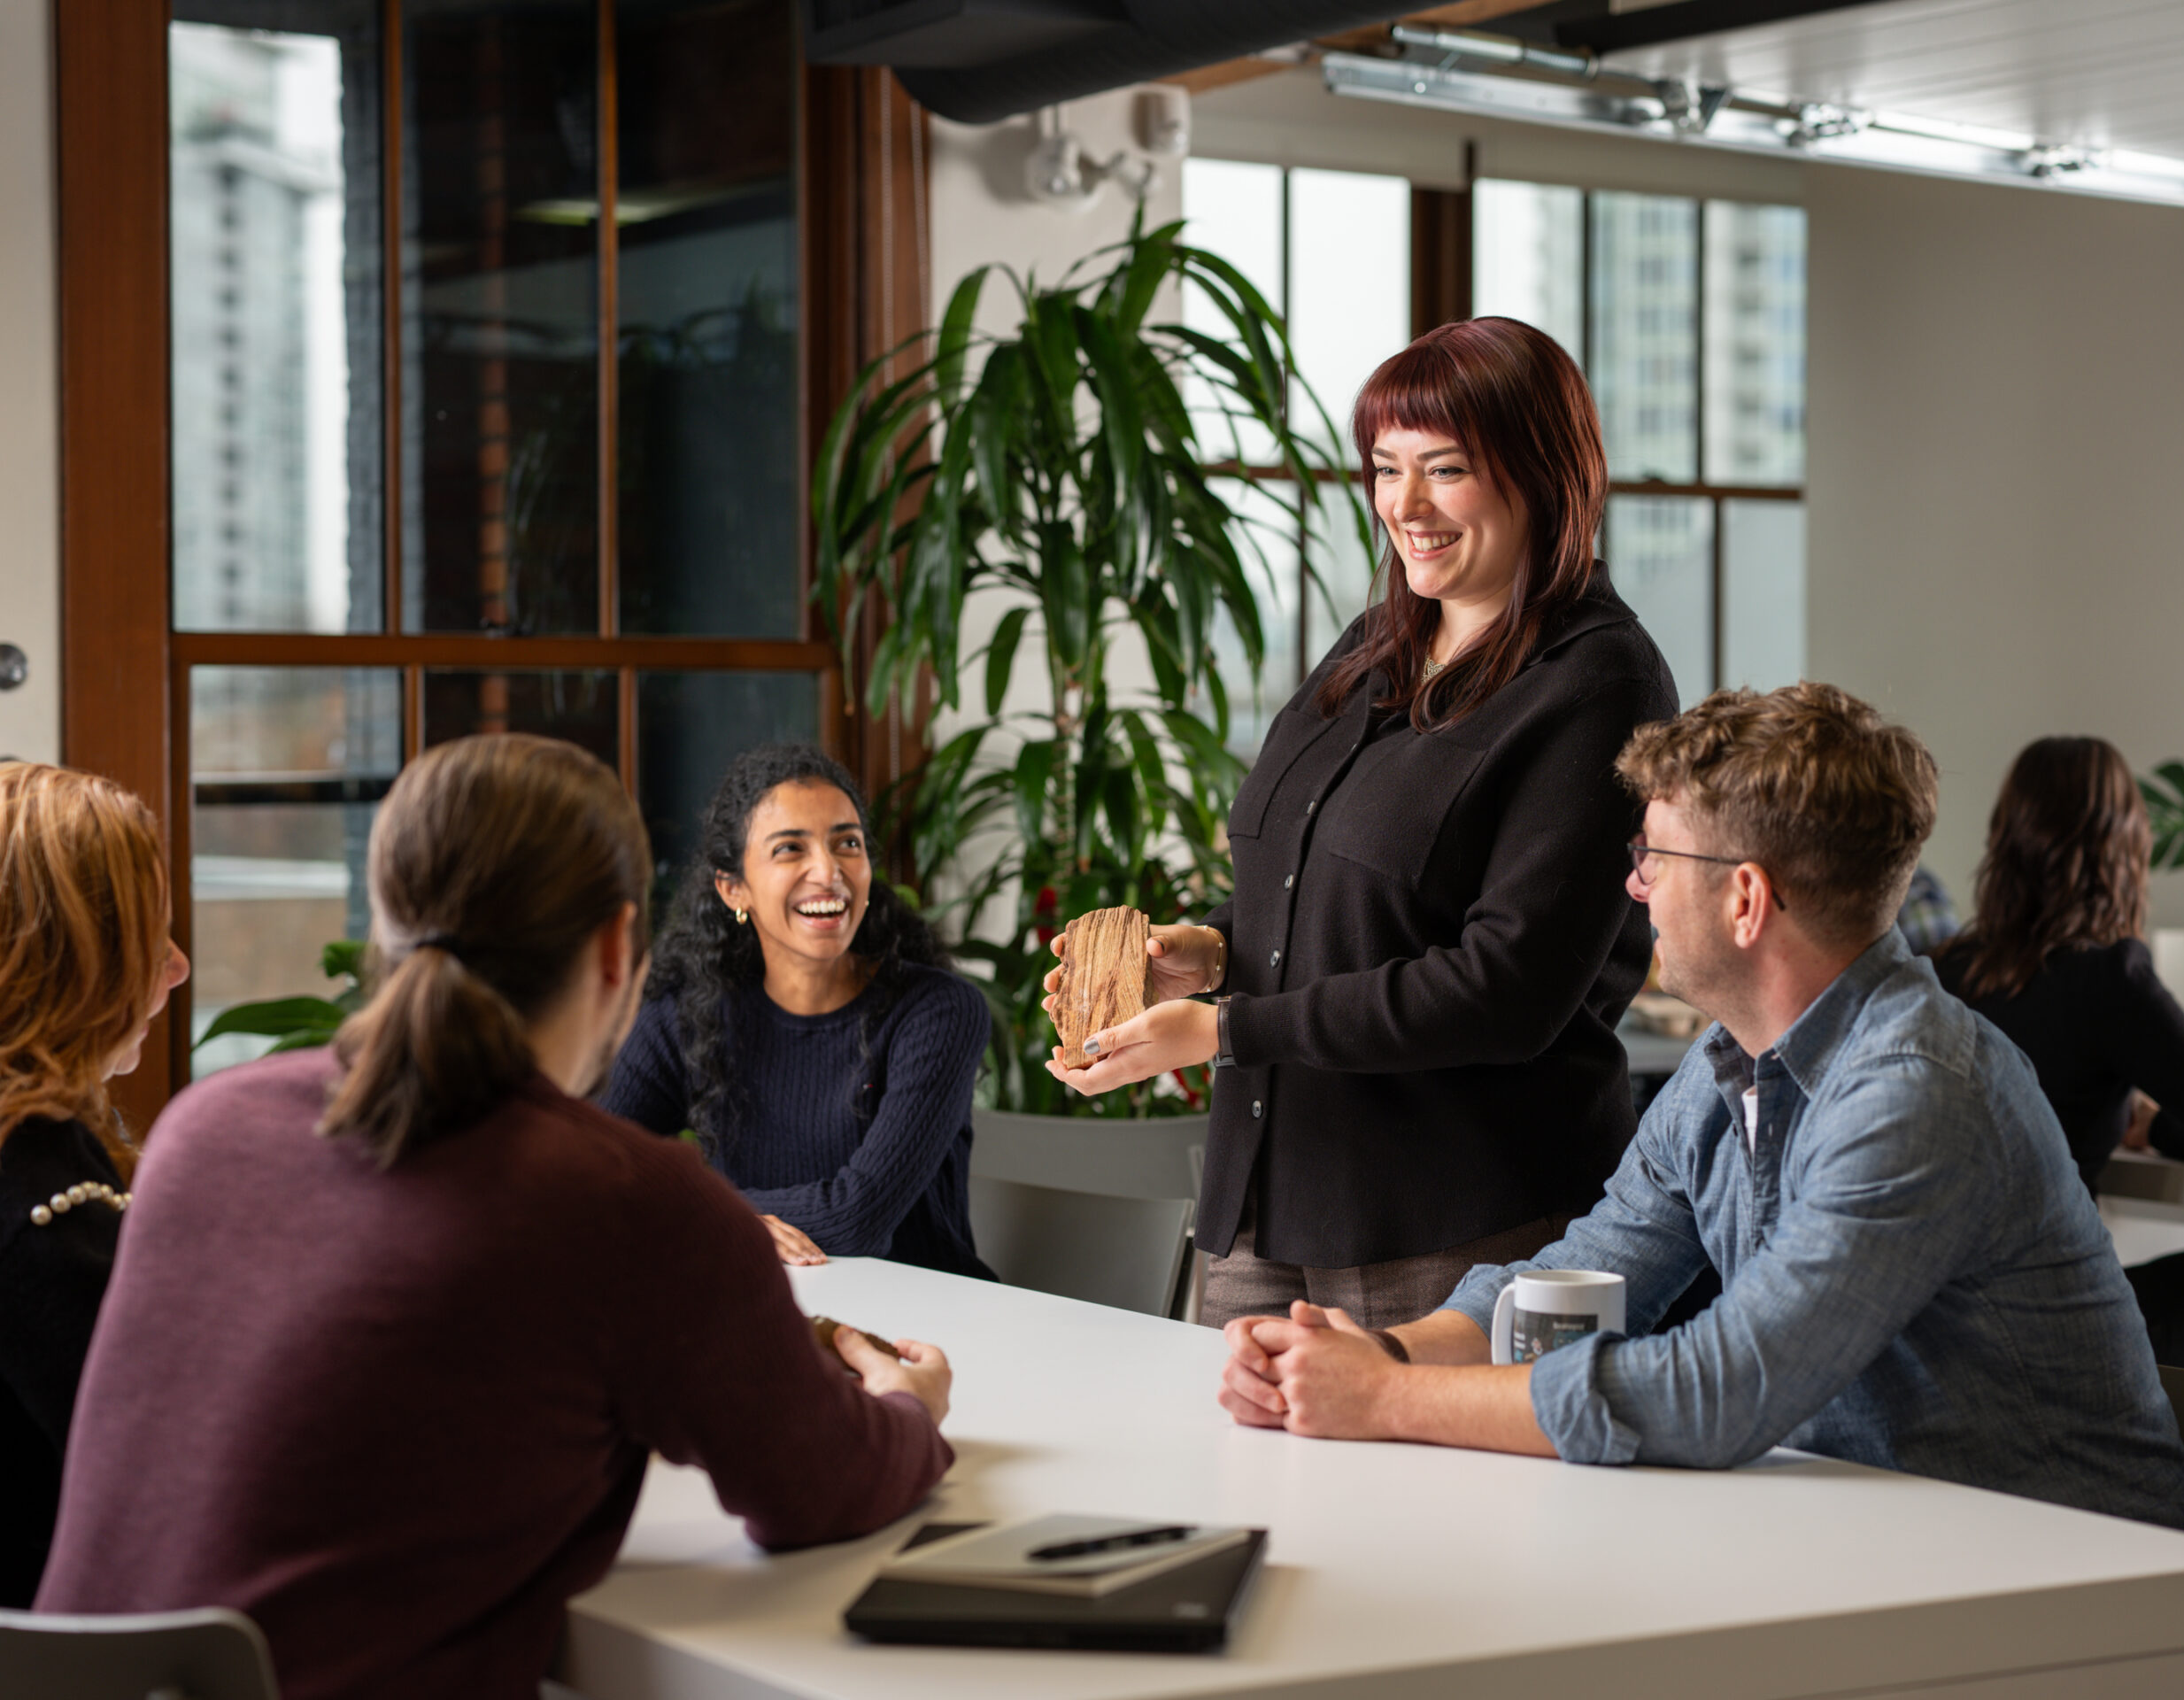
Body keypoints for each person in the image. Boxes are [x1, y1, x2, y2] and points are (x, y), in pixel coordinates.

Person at [39, 735, 954, 1698]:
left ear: (386, 923)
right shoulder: (620, 1199)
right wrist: (907, 1407)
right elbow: (819, 1490)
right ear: (615, 948)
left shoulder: (201, 1131)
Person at [1217, 684, 2184, 1534]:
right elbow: (1582, 1275)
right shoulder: (1727, 1062)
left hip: (2075, 1585)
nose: (1633, 884)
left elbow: (1721, 1390)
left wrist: (1388, 1399)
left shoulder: (1917, 1091)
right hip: (1878, 1543)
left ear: (1745, 899)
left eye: (1653, 856)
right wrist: (1373, 1352)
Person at [1046, 317, 1678, 1330]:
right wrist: (1204, 954)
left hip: (1455, 1223)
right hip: (1265, 1200)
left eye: (1445, 469)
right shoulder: (1377, 644)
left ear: (1544, 473)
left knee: (1421, 1497)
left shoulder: (1599, 679)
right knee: (1233, 1489)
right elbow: (1306, 888)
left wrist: (1224, 1029)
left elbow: (1507, 990)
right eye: (1386, 469)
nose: (1405, 505)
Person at [1938, 736, 2184, 1376]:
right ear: (2123, 845)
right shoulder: (2109, 977)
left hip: (1943, 1328)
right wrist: (2160, 1126)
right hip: (2049, 1330)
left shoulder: (1946, 970)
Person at [602, 745, 992, 1279]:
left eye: (847, 843)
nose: (828, 871)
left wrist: (714, 1214)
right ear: (733, 888)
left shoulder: (937, 1012)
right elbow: (594, 1177)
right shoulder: (687, 1014)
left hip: (929, 1331)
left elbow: (859, 1218)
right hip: (762, 1310)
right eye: (790, 849)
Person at [0, 763, 189, 1606]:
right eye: (153, 938)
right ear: (74, 961)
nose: (178, 969)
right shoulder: (40, 1204)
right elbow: (173, 1481)